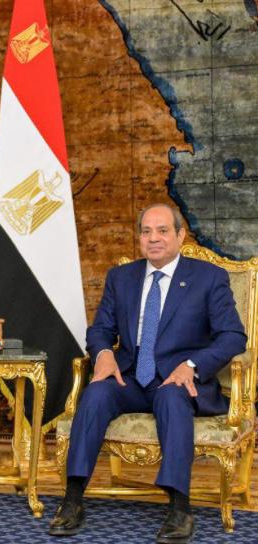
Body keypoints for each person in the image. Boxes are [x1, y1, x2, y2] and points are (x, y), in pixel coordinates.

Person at [49, 204, 246, 543]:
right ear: (139, 237)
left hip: (176, 379)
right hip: (129, 377)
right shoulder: (121, 277)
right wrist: (104, 355)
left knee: (171, 397)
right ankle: (73, 498)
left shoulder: (208, 278)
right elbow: (100, 330)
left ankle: (180, 508)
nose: (154, 238)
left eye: (163, 231)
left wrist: (192, 366)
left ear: (180, 236)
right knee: (95, 393)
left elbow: (233, 336)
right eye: (146, 231)